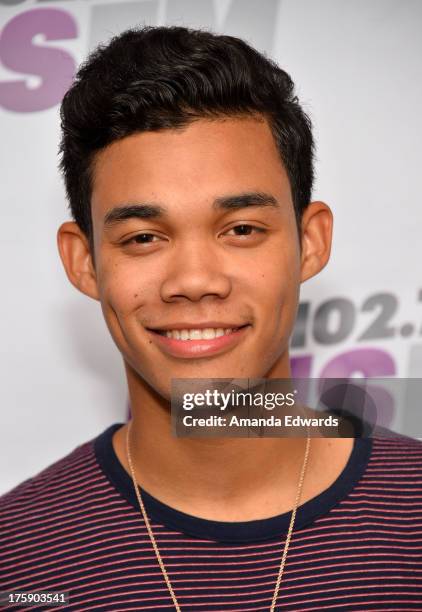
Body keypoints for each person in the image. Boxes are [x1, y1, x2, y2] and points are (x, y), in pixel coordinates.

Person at [0, 26, 421, 611]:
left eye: (242, 229)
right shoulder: (16, 559)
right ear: (84, 261)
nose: (195, 281)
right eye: (144, 237)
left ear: (310, 242)